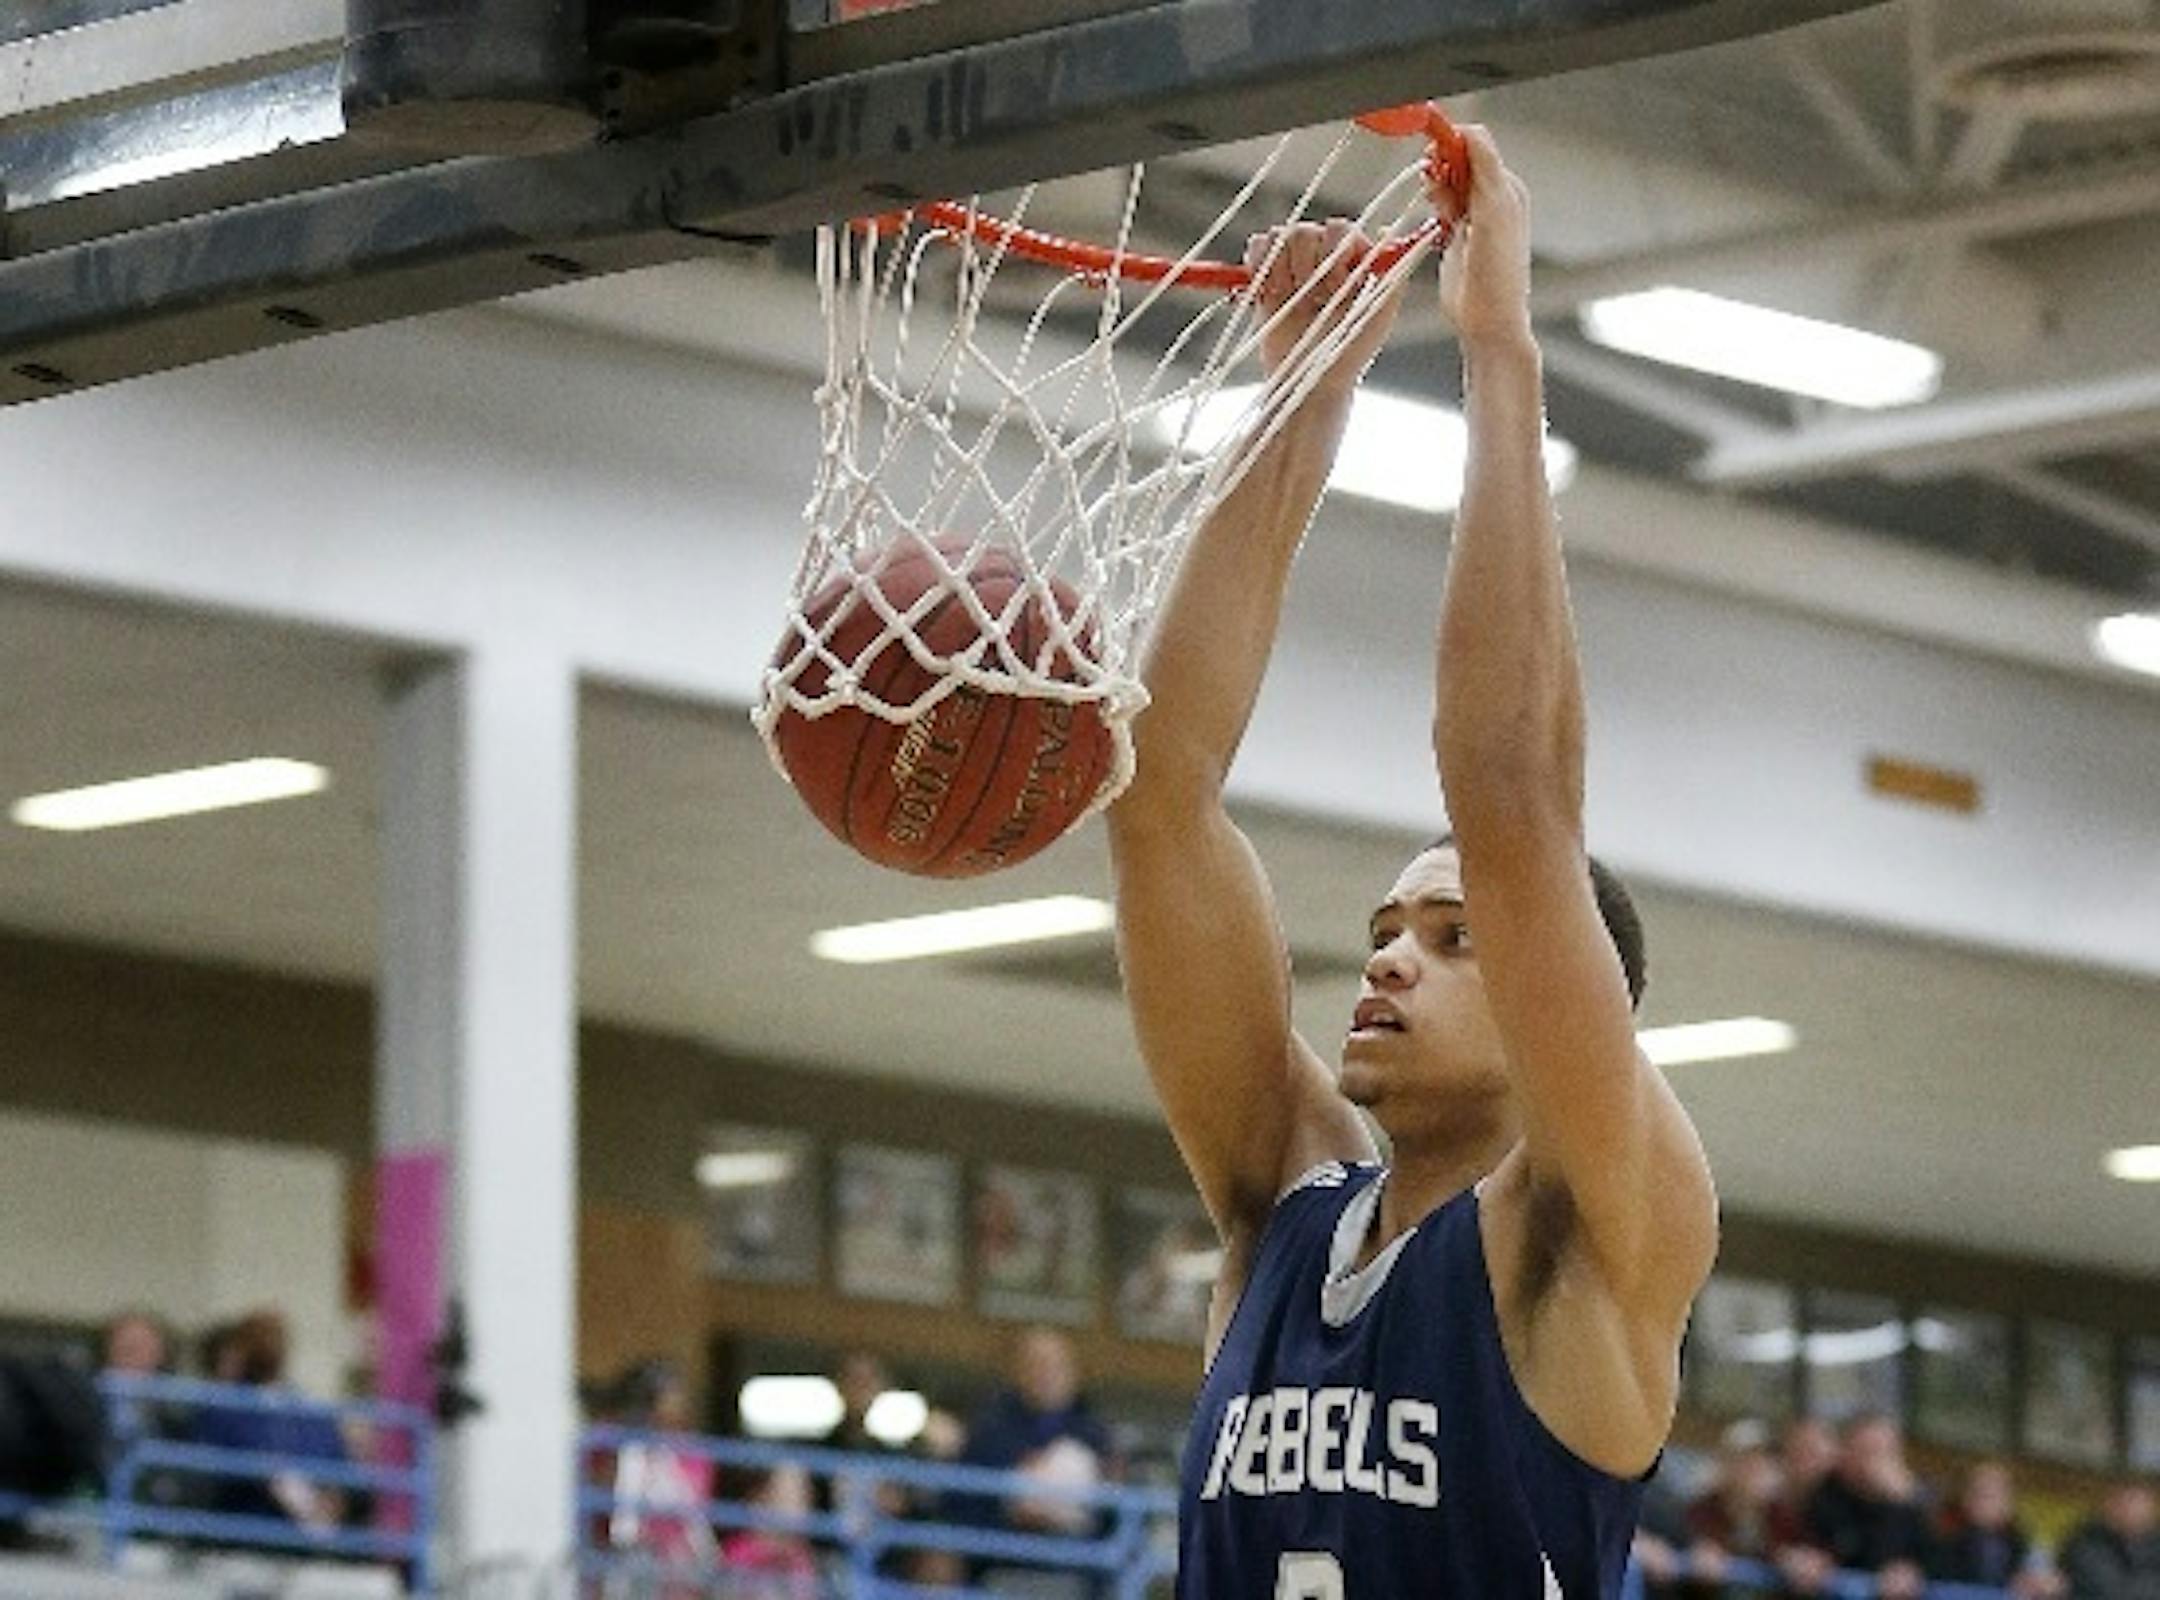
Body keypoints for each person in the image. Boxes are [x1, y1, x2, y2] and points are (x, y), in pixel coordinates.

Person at [1103, 122, 1718, 1598]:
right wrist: (1301, 398)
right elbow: (1159, 792)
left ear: (1574, 1013)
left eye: (1454, 937)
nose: (1388, 956)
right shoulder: (1279, 1205)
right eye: (1390, 924)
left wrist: (1498, 348)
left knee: (1504, 815)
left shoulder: (1585, 1234)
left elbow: (1511, 803)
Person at [954, 1327, 1117, 1595]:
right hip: (1000, 1567)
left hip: (1076, 1571)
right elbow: (960, 1503)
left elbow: (1112, 1517)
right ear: (1017, 1371)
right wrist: (1011, 1508)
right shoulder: (988, 1432)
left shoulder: (1098, 1436)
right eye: (1035, 1365)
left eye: (1055, 1366)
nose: (1046, 1375)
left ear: (1074, 1372)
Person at [1799, 1413, 1934, 1600]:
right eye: (1866, 1450)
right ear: (1845, 1453)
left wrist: (1898, 1502)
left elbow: (1933, 1559)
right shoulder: (1826, 1493)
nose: (1874, 1462)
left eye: (1884, 1452)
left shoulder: (1917, 1500)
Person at [1932, 1460, 2064, 1599]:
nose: (1993, 1500)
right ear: (1966, 1497)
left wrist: (2040, 1583)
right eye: (1983, 1492)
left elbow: (2038, 1575)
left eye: (2001, 1493)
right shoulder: (1943, 1537)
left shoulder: (2019, 1540)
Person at [2059, 1481, 2160, 1600]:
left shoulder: (2155, 1544)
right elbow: (2112, 1590)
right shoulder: (2086, 1542)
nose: (2134, 1511)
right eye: (2125, 1503)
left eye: (2142, 1503)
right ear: (2109, 1506)